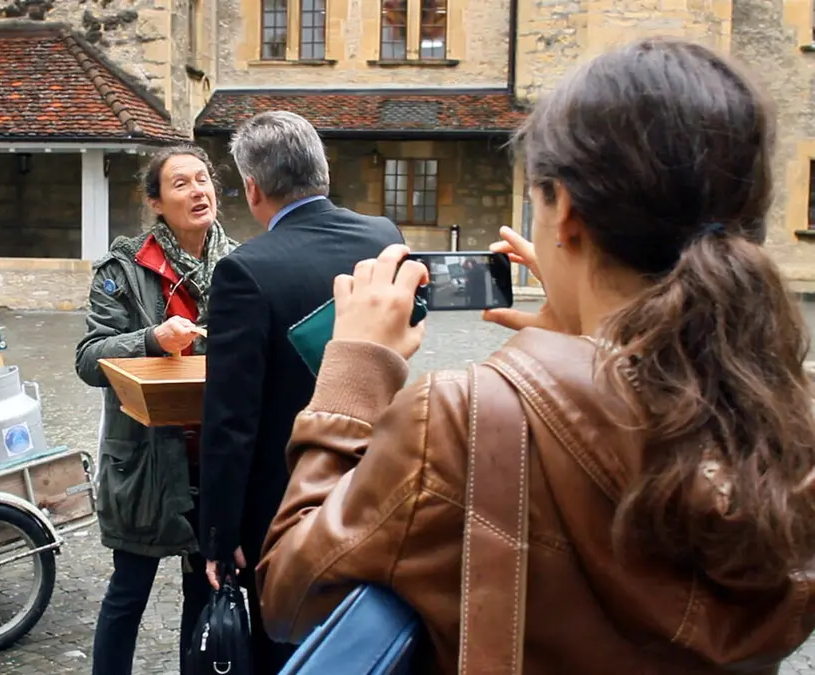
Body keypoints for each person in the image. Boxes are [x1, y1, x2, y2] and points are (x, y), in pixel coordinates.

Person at [256, 37, 815, 673]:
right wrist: (581, 327)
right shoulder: (785, 421)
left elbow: (291, 595)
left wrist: (354, 372)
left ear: (566, 211)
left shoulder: (462, 419)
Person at [198, 110, 405, 674]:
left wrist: (219, 534)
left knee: (285, 644)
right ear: (323, 172)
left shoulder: (244, 270)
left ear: (253, 188)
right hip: (375, 477)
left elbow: (230, 419)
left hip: (285, 497)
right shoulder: (385, 239)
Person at [75, 145, 238, 675]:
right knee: (128, 592)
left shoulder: (239, 266)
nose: (198, 191)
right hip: (144, 460)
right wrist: (150, 339)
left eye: (204, 179)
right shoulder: (122, 270)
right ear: (156, 202)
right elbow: (87, 359)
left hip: (212, 458)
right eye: (181, 184)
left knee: (202, 588)